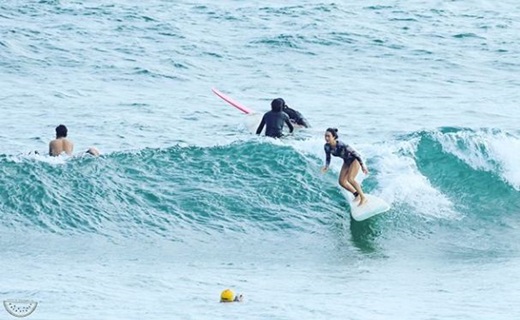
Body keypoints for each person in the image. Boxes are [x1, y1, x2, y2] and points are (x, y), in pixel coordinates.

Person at [321, 128, 369, 206]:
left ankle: (363, 198)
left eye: (328, 136)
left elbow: (356, 154)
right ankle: (356, 195)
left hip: (354, 160)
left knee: (350, 179)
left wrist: (362, 165)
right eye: (325, 136)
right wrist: (326, 166)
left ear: (334, 137)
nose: (326, 138)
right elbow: (328, 157)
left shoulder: (341, 145)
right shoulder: (327, 147)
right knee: (341, 182)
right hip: (346, 162)